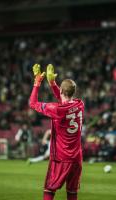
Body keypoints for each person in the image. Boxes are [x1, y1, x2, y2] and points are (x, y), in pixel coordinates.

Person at [29, 64, 84, 200]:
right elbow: (64, 99)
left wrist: (37, 83)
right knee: (72, 192)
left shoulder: (57, 110)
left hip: (61, 158)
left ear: (61, 92)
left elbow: (33, 103)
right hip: (76, 158)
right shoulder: (79, 104)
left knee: (49, 189)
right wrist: (53, 83)